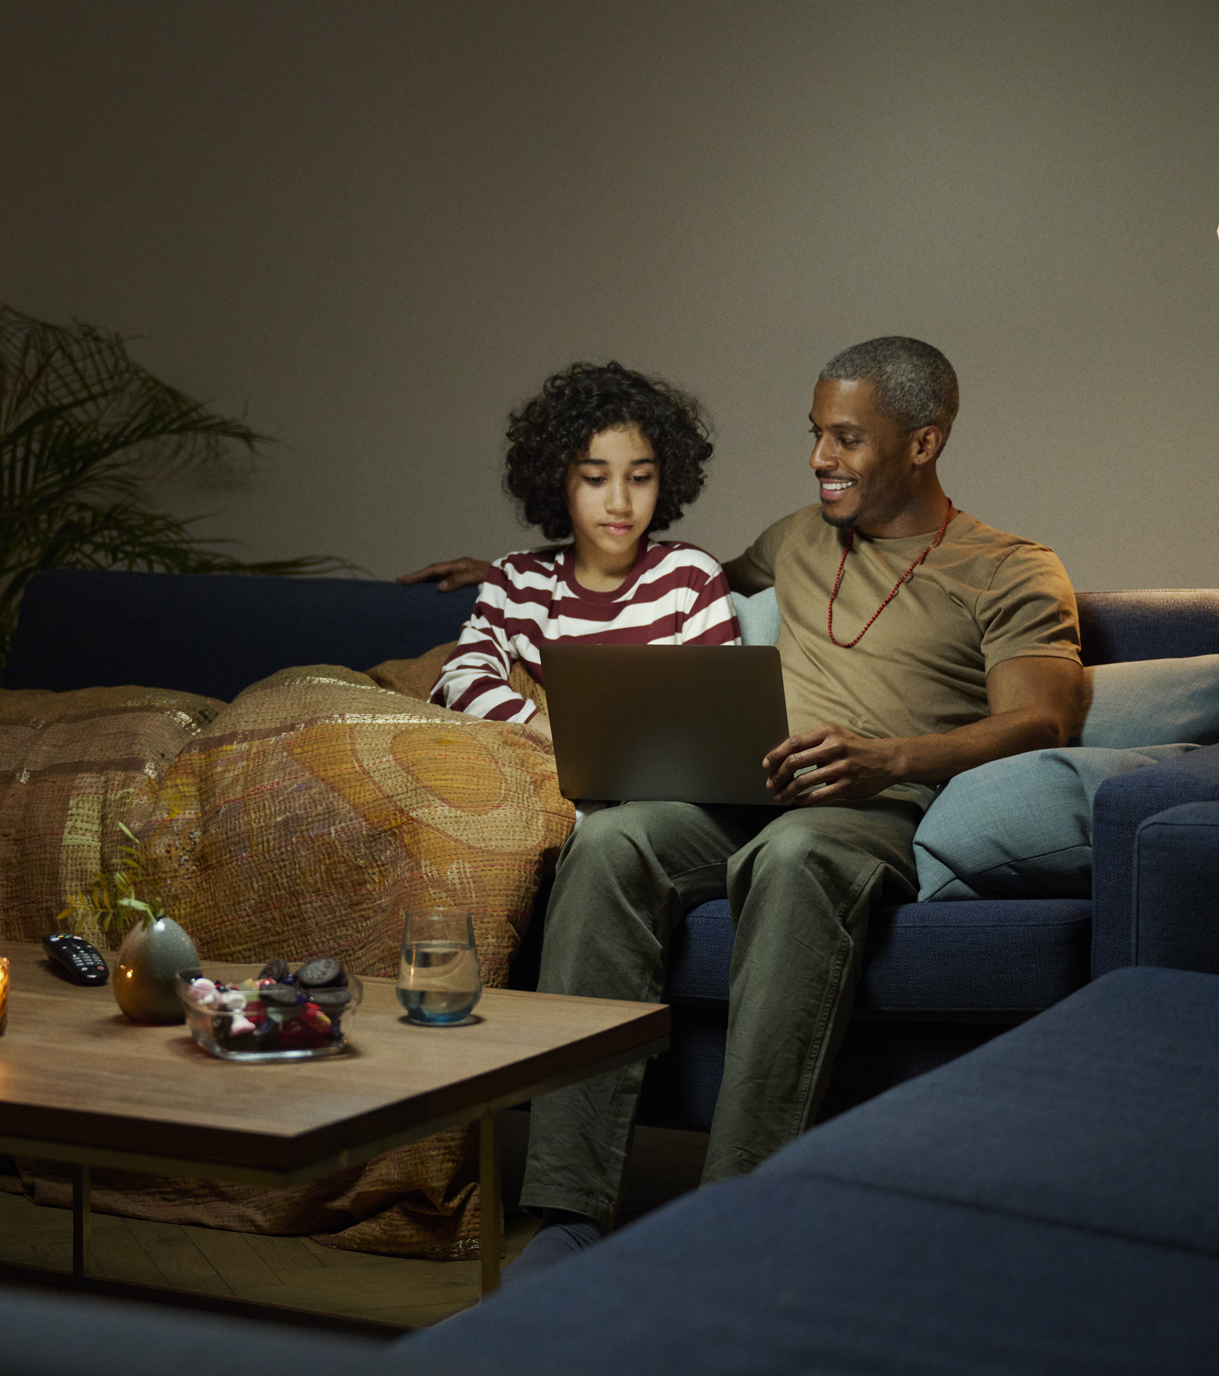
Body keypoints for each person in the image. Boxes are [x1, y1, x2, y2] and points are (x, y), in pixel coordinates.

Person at [399, 337, 1083, 1271]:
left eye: (846, 438)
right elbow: (643, 574)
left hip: (870, 802)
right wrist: (518, 573)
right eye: (816, 433)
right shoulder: (796, 537)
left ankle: (732, 1218)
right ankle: (566, 1207)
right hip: (744, 787)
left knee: (792, 858)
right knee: (614, 840)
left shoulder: (1010, 568)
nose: (819, 458)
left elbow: (1043, 719)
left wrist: (889, 758)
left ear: (923, 443)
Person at [431, 361, 738, 732]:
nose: (619, 503)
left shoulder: (691, 577)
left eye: (640, 477)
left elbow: (720, 715)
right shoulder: (515, 580)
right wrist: (548, 732)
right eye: (595, 478)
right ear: (556, 478)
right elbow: (461, 677)